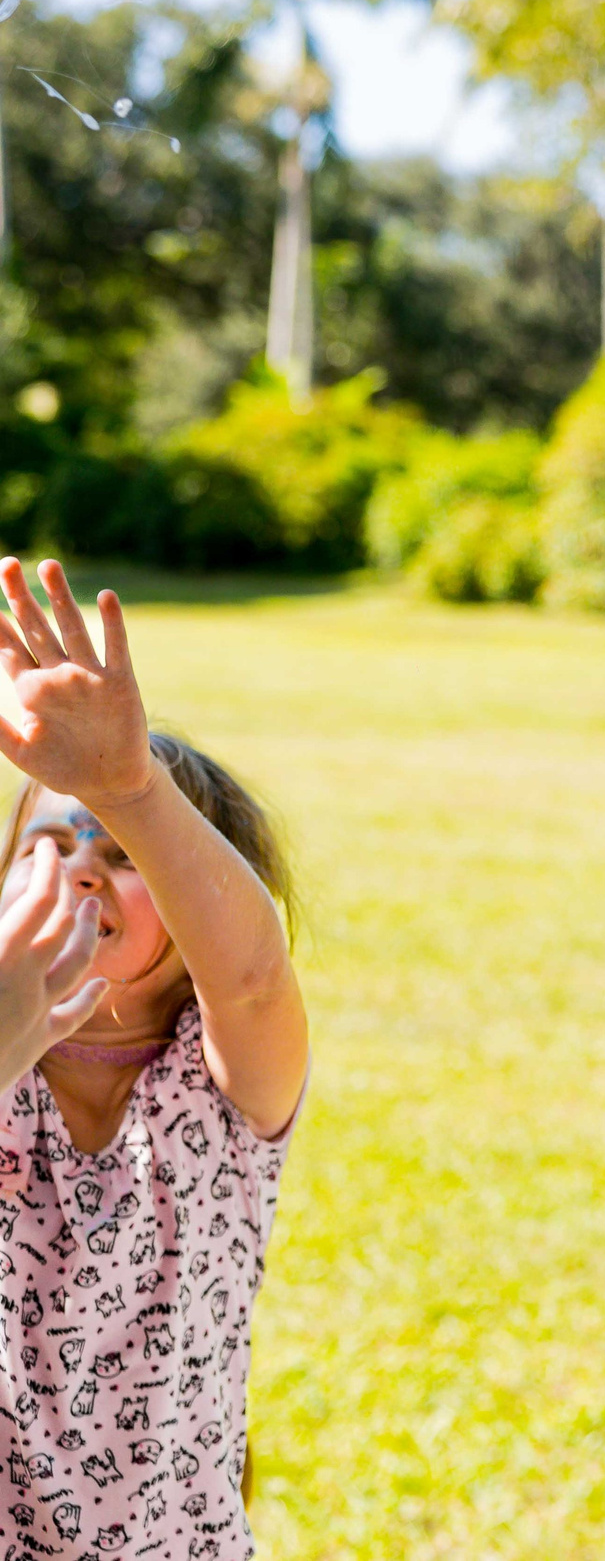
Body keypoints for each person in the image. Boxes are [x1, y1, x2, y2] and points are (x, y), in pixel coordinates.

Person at [0, 557, 309, 1561]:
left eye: (125, 853)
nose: (82, 869)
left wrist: (130, 785)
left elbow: (252, 976)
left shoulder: (222, 1085)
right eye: (50, 843)